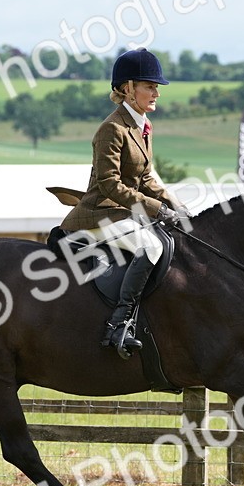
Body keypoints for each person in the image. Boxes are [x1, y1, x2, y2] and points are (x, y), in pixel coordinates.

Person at [57, 47, 187, 358]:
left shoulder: (142, 126)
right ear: (128, 89)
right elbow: (110, 184)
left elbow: (146, 179)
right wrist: (157, 209)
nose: (156, 92)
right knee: (151, 247)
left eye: (155, 87)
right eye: (149, 86)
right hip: (99, 213)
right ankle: (120, 323)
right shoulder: (111, 129)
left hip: (122, 212)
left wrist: (178, 208)